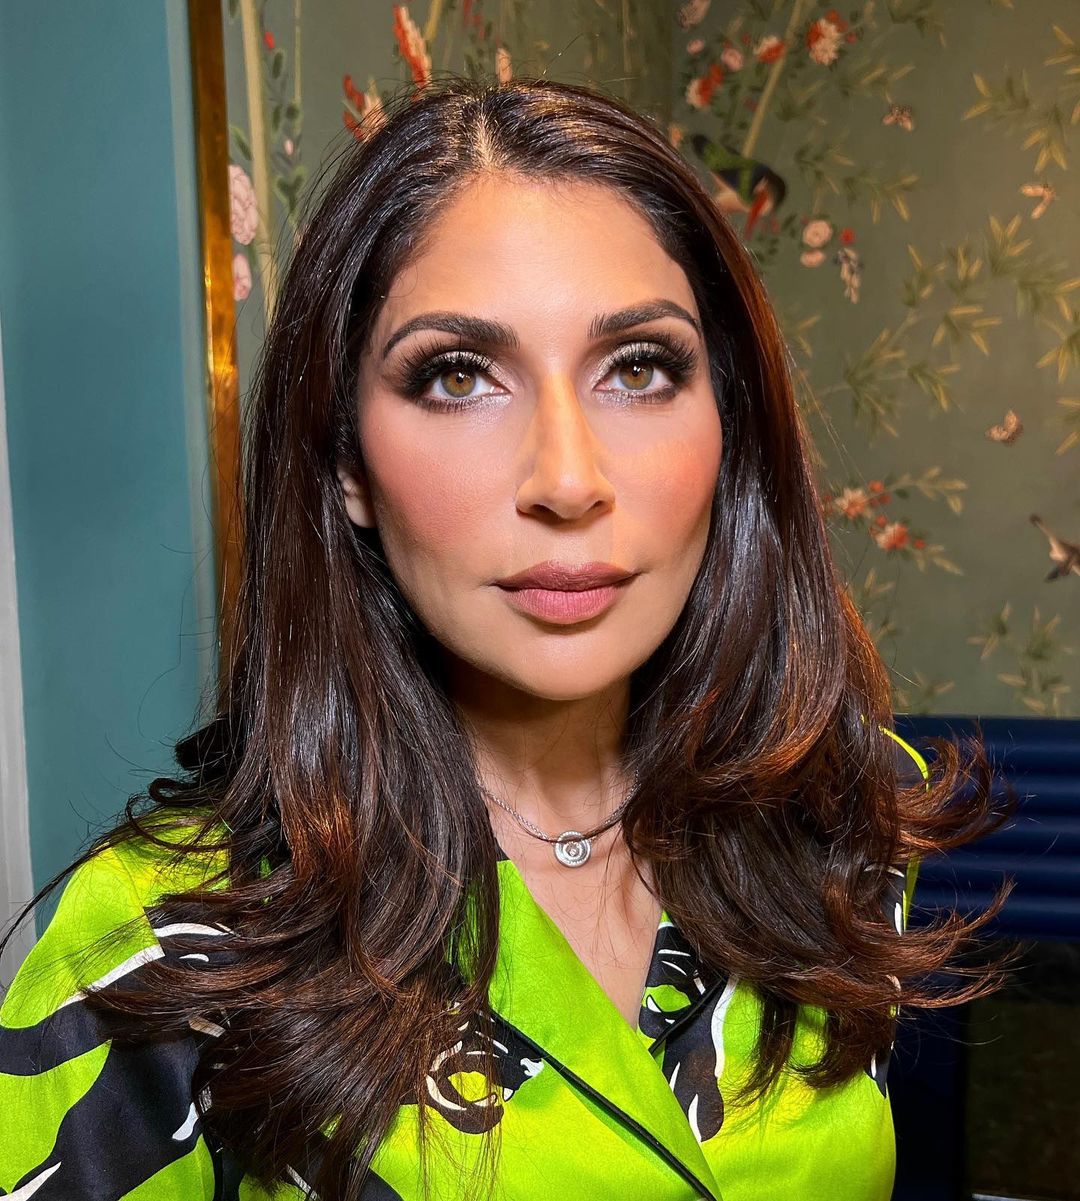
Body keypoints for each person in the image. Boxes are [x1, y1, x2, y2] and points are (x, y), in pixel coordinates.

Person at [0, 77, 1011, 1201]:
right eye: (459, 377)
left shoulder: (847, 813)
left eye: (639, 368)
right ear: (346, 463)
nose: (568, 480)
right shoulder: (162, 945)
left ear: (728, 423)